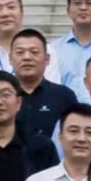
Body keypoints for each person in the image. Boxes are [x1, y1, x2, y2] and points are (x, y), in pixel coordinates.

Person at [8, 31, 81, 167]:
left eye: (34, 52)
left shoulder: (64, 95)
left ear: (47, 59)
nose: (27, 57)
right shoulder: (0, 98)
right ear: (10, 59)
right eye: (20, 52)